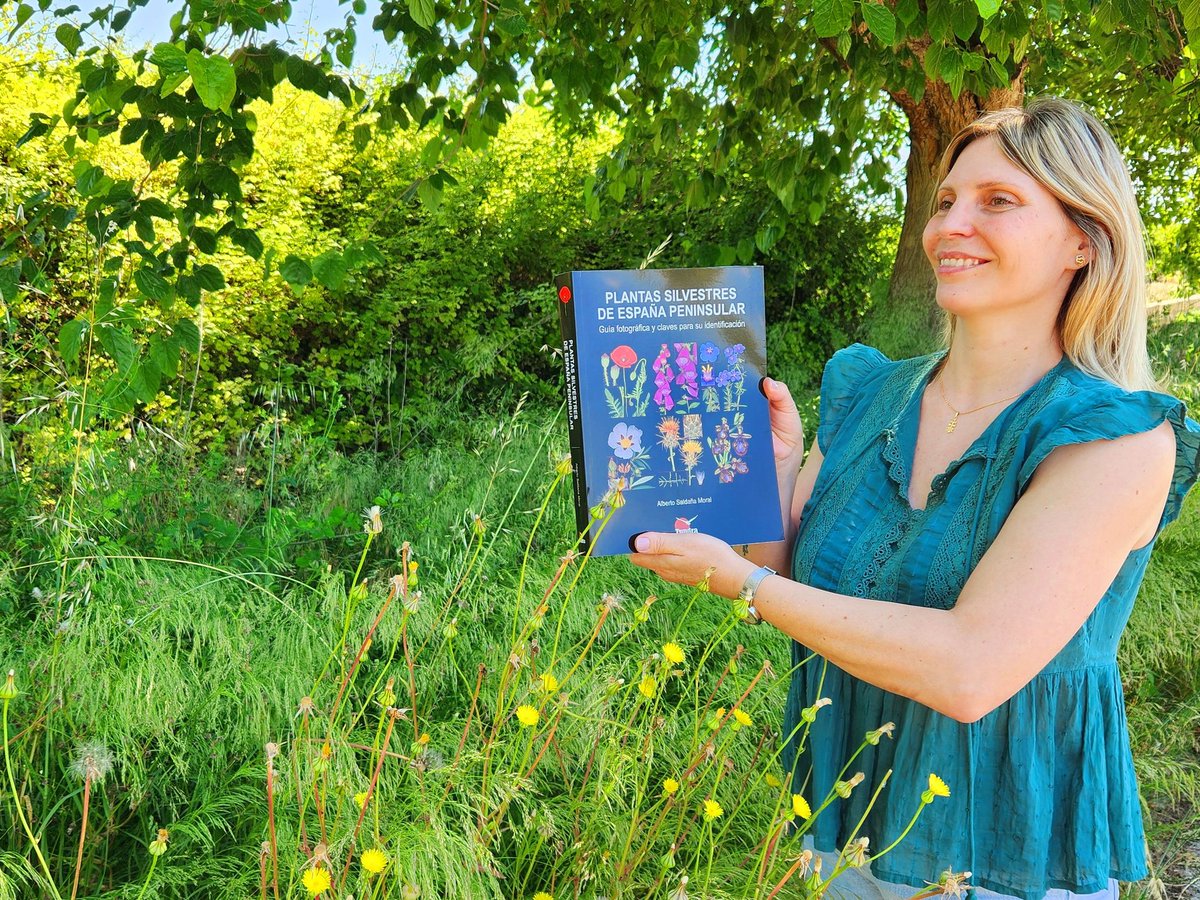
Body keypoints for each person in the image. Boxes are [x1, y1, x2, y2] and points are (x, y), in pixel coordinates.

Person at [629, 97, 1200, 900]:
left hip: (1005, 854)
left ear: (1082, 239)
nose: (948, 227)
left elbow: (971, 670)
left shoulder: (1115, 437)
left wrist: (745, 585)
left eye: (998, 201)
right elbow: (785, 571)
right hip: (847, 815)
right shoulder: (870, 391)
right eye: (945, 201)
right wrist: (772, 481)